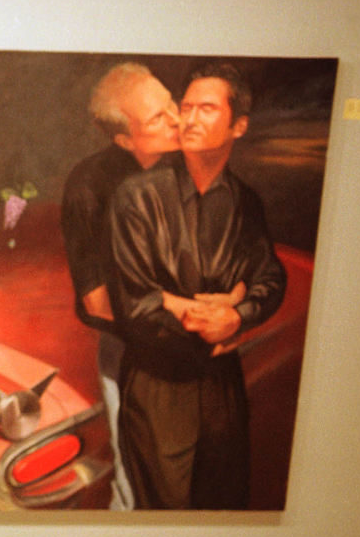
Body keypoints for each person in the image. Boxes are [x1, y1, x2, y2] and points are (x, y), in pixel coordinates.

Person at [108, 63, 286, 509]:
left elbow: (269, 277)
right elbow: (136, 305)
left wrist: (239, 315)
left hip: (222, 387)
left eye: (206, 108)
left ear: (238, 125)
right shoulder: (136, 196)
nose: (188, 119)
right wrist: (215, 320)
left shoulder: (246, 202)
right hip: (157, 390)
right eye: (185, 107)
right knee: (162, 530)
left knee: (224, 520)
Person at [59, 62, 181, 510]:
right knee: (137, 485)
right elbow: (96, 302)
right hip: (135, 353)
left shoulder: (190, 170)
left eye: (172, 104)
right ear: (125, 138)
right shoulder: (90, 185)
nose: (178, 119)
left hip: (188, 349)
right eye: (158, 118)